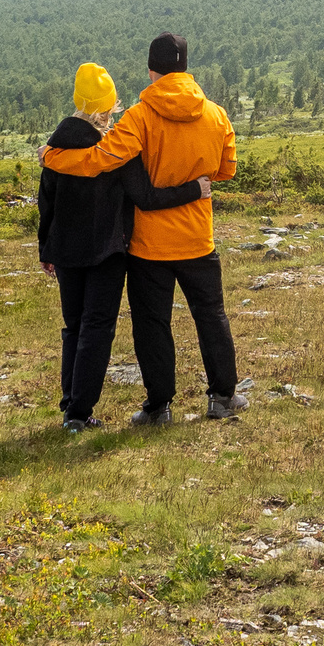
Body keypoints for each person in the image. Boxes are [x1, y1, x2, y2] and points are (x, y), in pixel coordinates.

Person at [37, 61, 210, 431]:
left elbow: (46, 203)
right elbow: (145, 196)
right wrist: (194, 189)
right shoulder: (115, 148)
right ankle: (78, 414)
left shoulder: (54, 149)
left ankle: (70, 405)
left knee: (73, 326)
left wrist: (45, 250)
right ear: (110, 105)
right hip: (107, 252)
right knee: (97, 327)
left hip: (65, 251)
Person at [90, 33, 242, 425]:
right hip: (198, 239)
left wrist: (54, 156)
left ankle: (159, 407)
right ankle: (223, 397)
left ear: (151, 70)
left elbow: (102, 159)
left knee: (152, 324)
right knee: (211, 316)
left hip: (149, 246)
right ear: (186, 68)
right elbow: (226, 170)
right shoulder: (217, 114)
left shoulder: (137, 118)